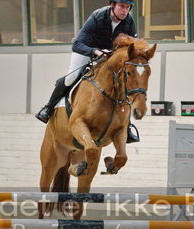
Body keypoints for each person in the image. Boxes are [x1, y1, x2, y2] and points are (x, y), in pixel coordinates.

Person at [35, 0, 140, 143]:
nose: (124, 10)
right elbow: (77, 44)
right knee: (71, 77)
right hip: (86, 51)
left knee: (123, 83)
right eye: (122, 6)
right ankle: (48, 108)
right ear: (112, 5)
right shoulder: (97, 17)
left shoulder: (129, 21)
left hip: (109, 55)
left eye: (127, 7)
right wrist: (96, 51)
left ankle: (126, 126)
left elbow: (131, 47)